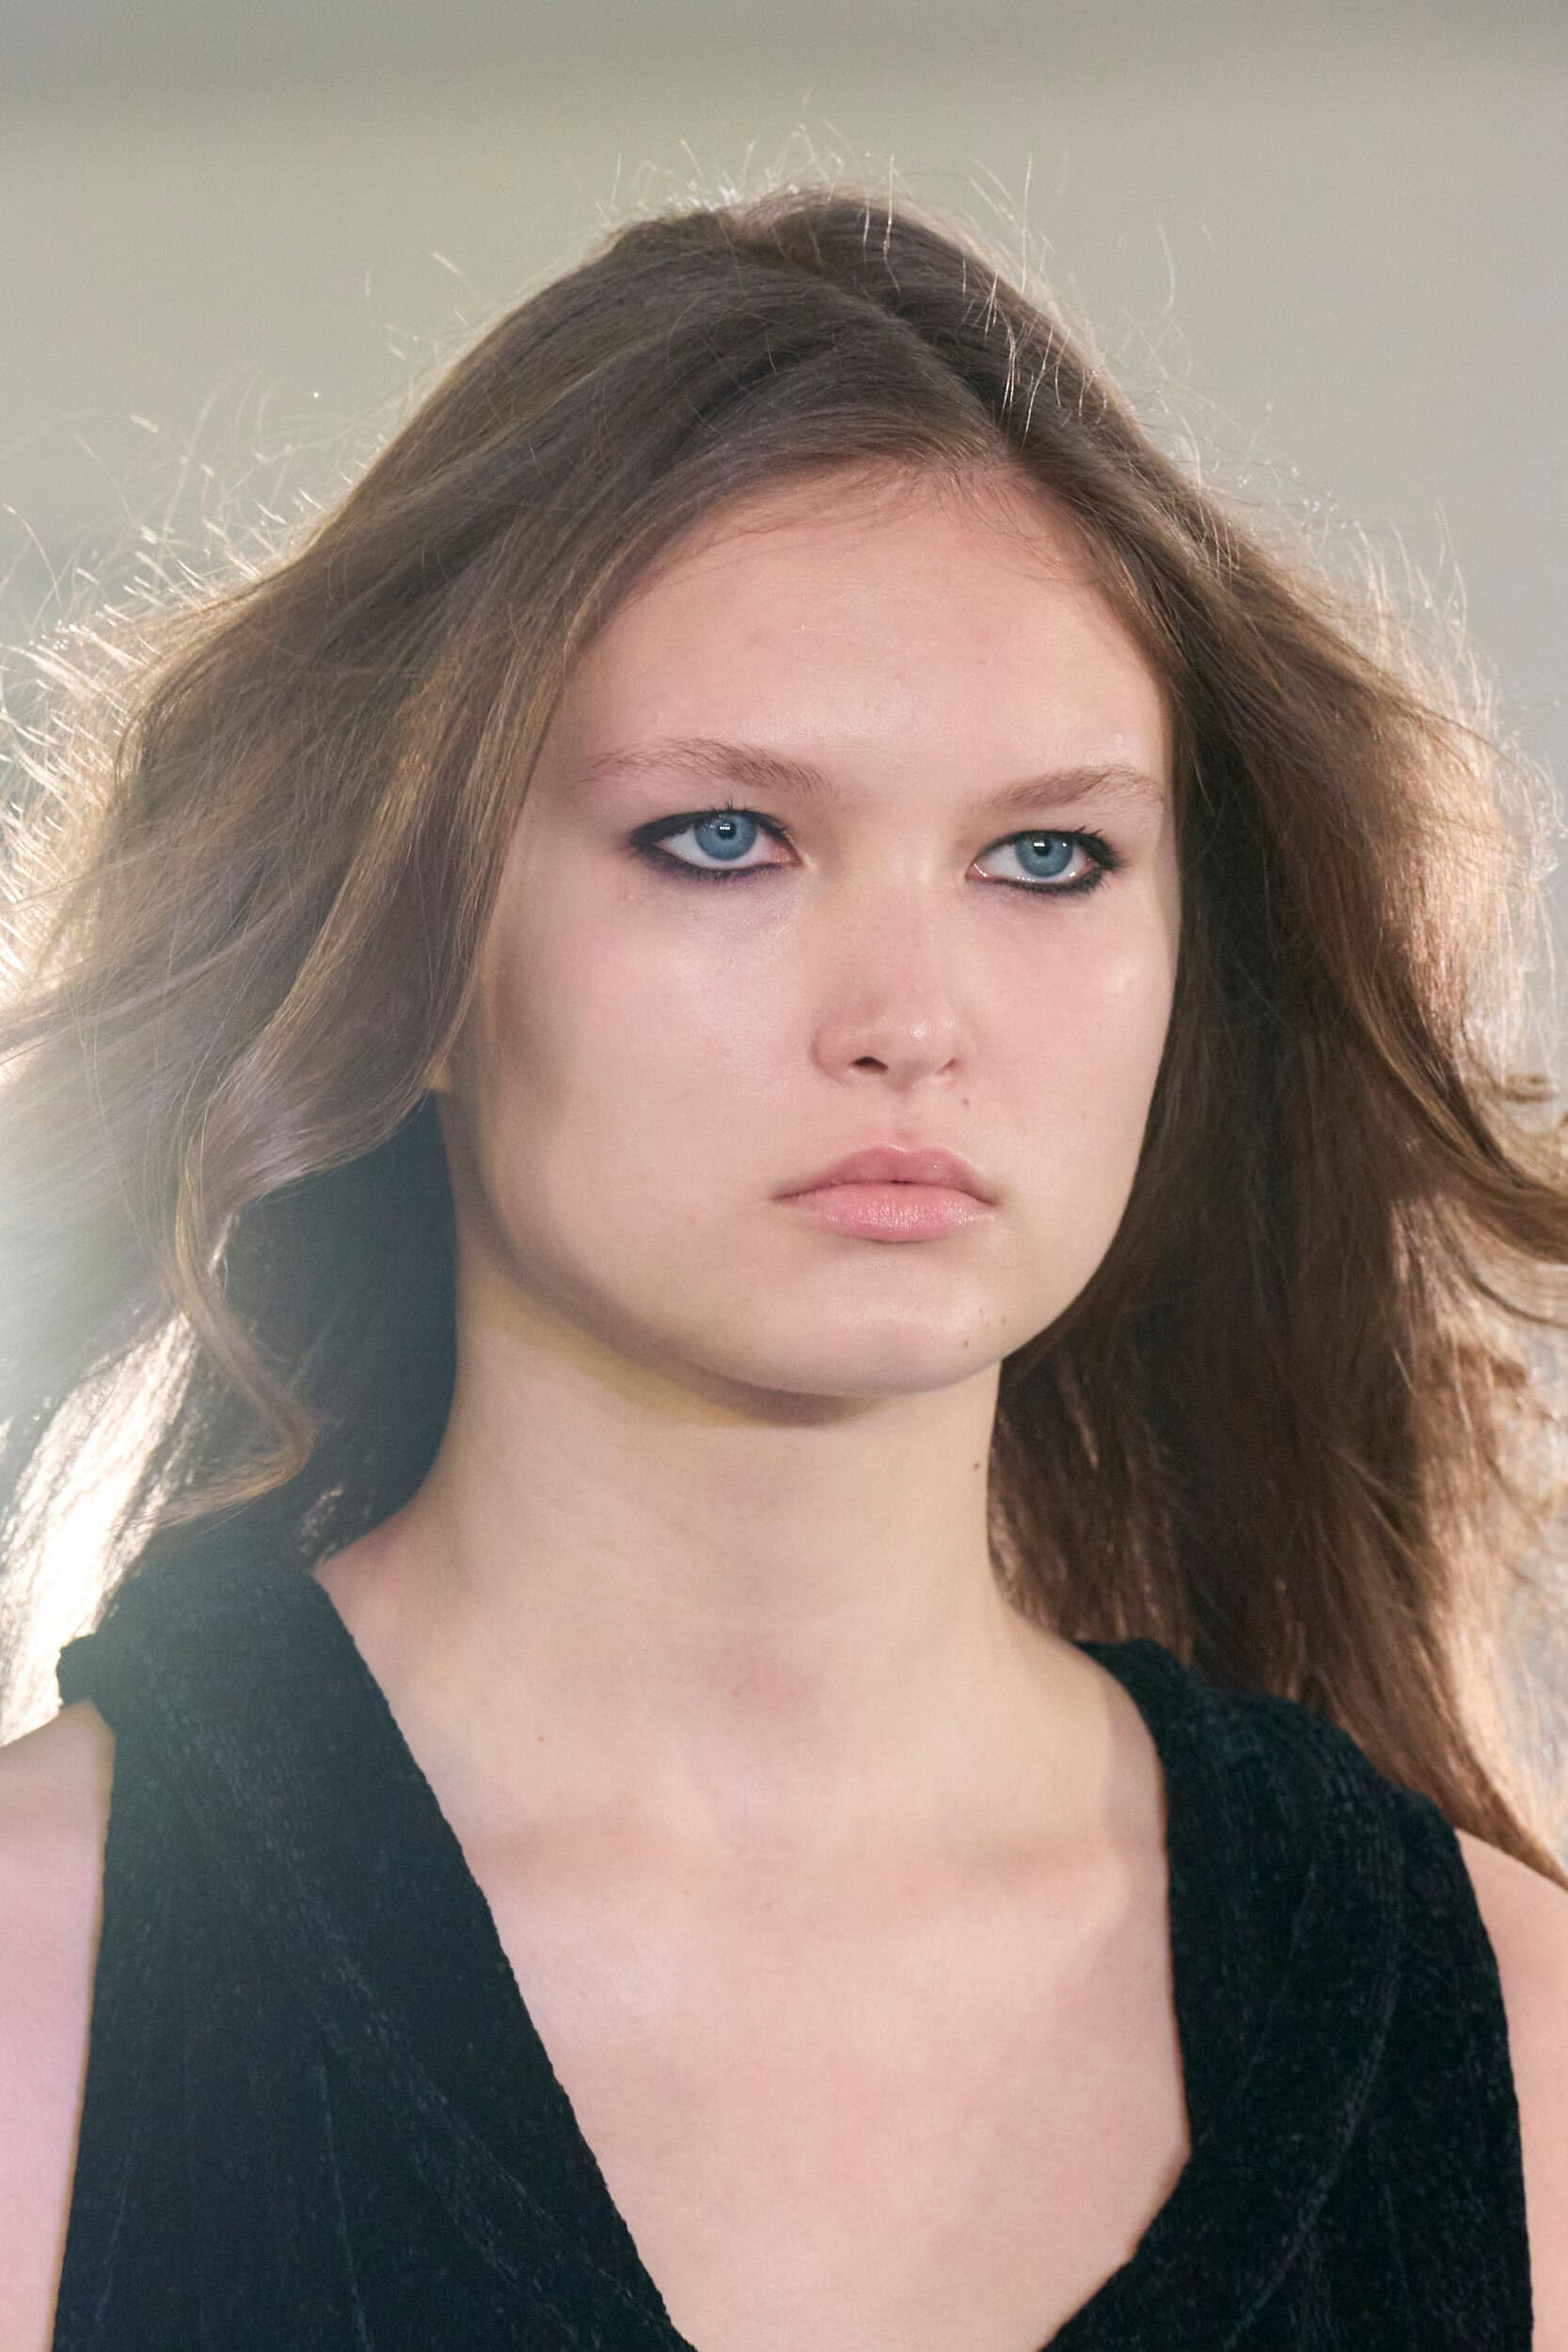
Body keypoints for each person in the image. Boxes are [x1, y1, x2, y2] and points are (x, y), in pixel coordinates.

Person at [0, 184, 1565, 2351]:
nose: (912, 1016)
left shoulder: (1514, 2051)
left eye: (1047, 855)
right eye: (723, 838)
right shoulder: (43, 1992)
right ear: (411, 946)